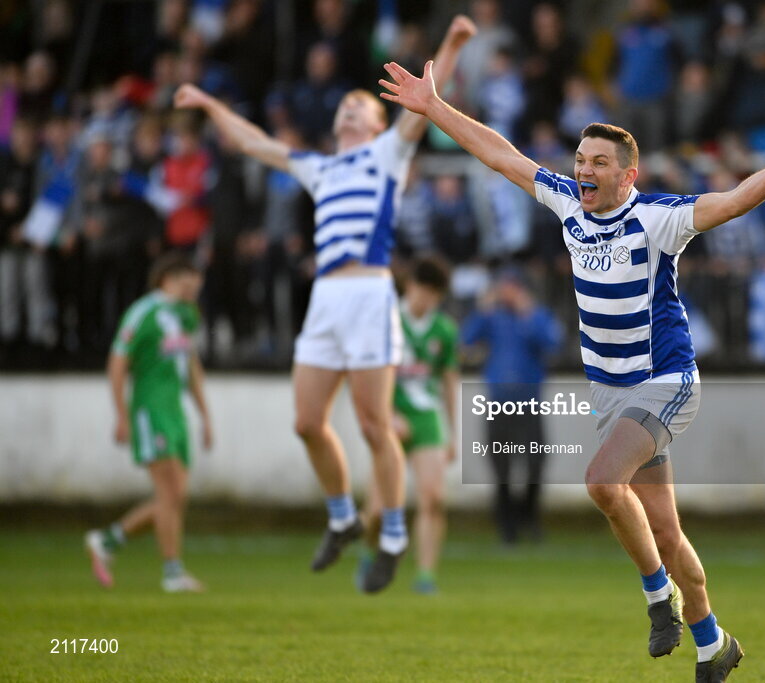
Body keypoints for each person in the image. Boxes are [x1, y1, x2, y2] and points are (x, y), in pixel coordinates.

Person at [379, 58, 765, 679]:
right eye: (580, 158)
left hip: (666, 382)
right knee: (669, 538)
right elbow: (500, 155)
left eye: (597, 162)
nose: (583, 170)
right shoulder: (569, 206)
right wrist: (434, 108)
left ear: (628, 175)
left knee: (599, 482)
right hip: (615, 396)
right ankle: (713, 643)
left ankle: (658, 601)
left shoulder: (657, 218)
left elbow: (728, 204)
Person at [172, 15, 476, 593]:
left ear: (380, 120)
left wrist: (453, 44)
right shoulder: (320, 166)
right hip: (327, 299)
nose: (348, 111)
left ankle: (390, 533)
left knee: (371, 424)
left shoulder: (388, 153)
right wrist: (210, 104)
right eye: (345, 107)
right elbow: (256, 142)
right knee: (308, 422)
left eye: (360, 106)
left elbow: (424, 105)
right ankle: (341, 517)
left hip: (367, 295)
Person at [84, 252, 212, 593]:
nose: (193, 291)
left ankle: (108, 541)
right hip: (149, 410)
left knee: (175, 496)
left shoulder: (186, 315)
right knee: (169, 493)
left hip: (175, 411)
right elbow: (117, 363)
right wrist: (121, 414)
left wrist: (205, 415)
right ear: (168, 279)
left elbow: (192, 365)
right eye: (188, 284)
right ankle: (172, 572)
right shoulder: (144, 312)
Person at [359, 257, 460, 594]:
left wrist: (453, 433)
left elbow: (448, 380)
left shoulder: (444, 330)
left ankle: (426, 575)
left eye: (434, 294)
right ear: (409, 285)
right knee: (377, 510)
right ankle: (369, 552)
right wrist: (384, 415)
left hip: (426, 417)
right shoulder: (385, 321)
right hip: (389, 417)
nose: (426, 299)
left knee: (433, 498)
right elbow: (365, 377)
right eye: (422, 290)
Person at [462, 267, 562, 544]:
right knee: (501, 467)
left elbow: (552, 342)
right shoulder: (491, 317)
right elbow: (466, 340)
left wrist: (527, 314)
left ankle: (528, 516)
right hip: (498, 403)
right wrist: (482, 310)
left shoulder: (535, 315)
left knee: (535, 463)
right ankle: (507, 526)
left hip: (529, 402)